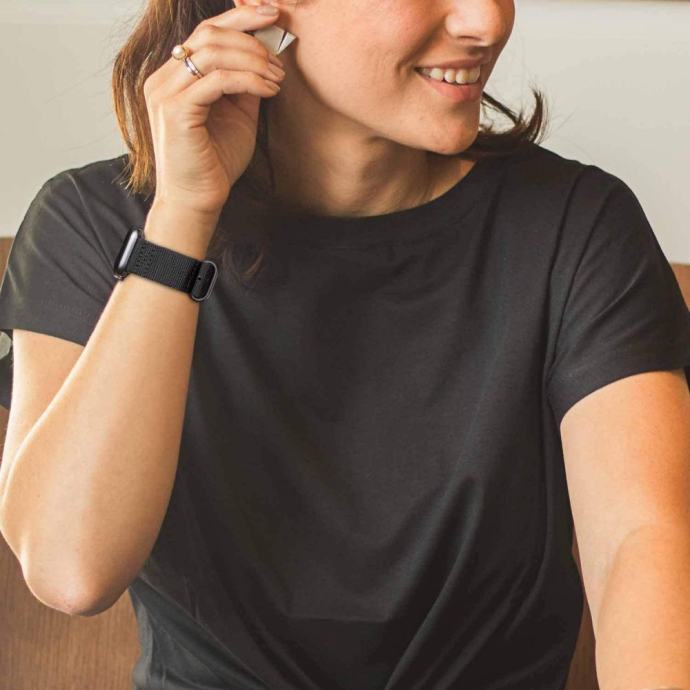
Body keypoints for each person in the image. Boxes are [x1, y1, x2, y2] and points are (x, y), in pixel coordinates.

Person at [0, 1, 688, 688]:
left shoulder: (576, 226)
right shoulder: (92, 222)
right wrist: (182, 216)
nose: (485, 21)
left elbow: (639, 542)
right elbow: (72, 572)